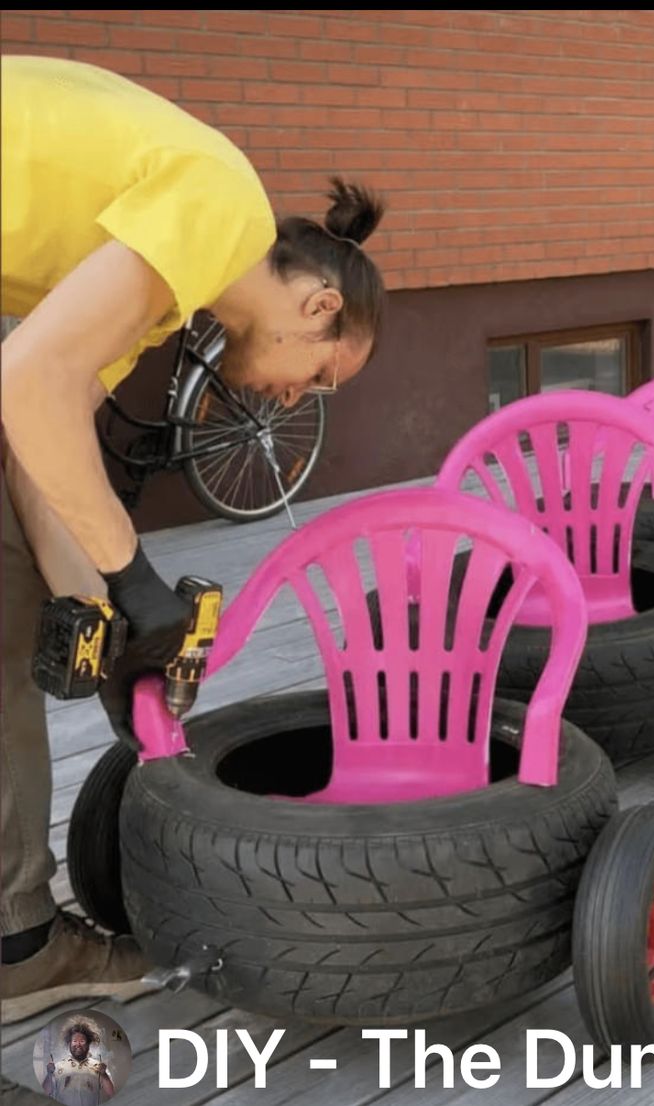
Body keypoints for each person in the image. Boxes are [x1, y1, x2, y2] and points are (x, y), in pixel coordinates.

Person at [0, 54, 386, 1025]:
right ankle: (18, 946)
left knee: (16, 619)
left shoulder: (158, 292)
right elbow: (28, 389)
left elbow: (35, 450)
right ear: (318, 306)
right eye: (324, 375)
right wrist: (133, 580)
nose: (300, 399)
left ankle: (15, 935)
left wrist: (106, 643)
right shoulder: (223, 203)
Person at [42, 1019, 114, 1104]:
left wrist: (104, 1075)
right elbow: (46, 1092)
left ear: (88, 1044)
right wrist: (49, 1074)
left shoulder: (99, 1067)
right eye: (74, 1041)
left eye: (82, 1041)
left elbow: (111, 1092)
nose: (78, 1045)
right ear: (69, 1044)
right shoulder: (57, 1067)